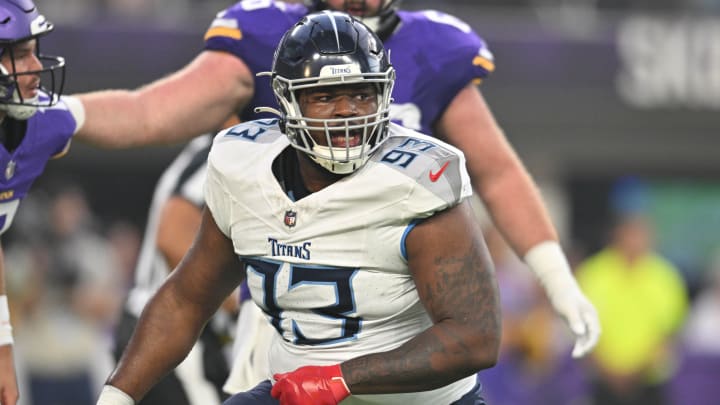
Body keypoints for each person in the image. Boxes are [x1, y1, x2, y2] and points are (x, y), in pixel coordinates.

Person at [75, 0, 599, 362]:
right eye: (326, 97)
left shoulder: (433, 47)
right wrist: (65, 114)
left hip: (392, 310)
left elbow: (497, 171)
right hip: (285, 315)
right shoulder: (267, 40)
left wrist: (554, 274)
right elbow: (149, 113)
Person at [95, 11, 502, 405]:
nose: (347, 111)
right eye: (325, 96)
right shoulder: (242, 164)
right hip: (295, 393)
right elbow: (187, 299)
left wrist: (340, 378)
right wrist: (116, 397)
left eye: (362, 93)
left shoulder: (419, 179)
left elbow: (475, 337)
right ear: (287, 101)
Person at [112, 133, 236, 405]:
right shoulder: (230, 151)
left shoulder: (218, 149)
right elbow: (172, 235)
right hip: (174, 331)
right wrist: (239, 302)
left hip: (167, 330)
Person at [576, 213, 688, 405]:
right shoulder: (592, 274)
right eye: (631, 234)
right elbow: (580, 328)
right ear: (617, 235)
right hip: (603, 381)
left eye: (641, 235)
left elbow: (671, 333)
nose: (635, 241)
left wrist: (638, 371)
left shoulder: (665, 277)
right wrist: (607, 369)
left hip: (650, 381)